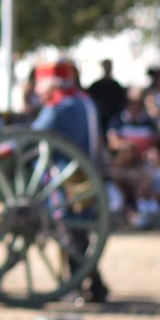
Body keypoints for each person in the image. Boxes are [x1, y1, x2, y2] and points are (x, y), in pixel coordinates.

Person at [31, 59, 109, 304]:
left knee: (69, 234)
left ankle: (76, 287)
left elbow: (31, 136)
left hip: (64, 178)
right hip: (88, 174)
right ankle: (95, 286)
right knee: (79, 235)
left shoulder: (59, 107)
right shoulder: (84, 101)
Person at [86, 59, 128, 131]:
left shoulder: (116, 87)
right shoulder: (95, 86)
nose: (107, 69)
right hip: (98, 120)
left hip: (114, 121)